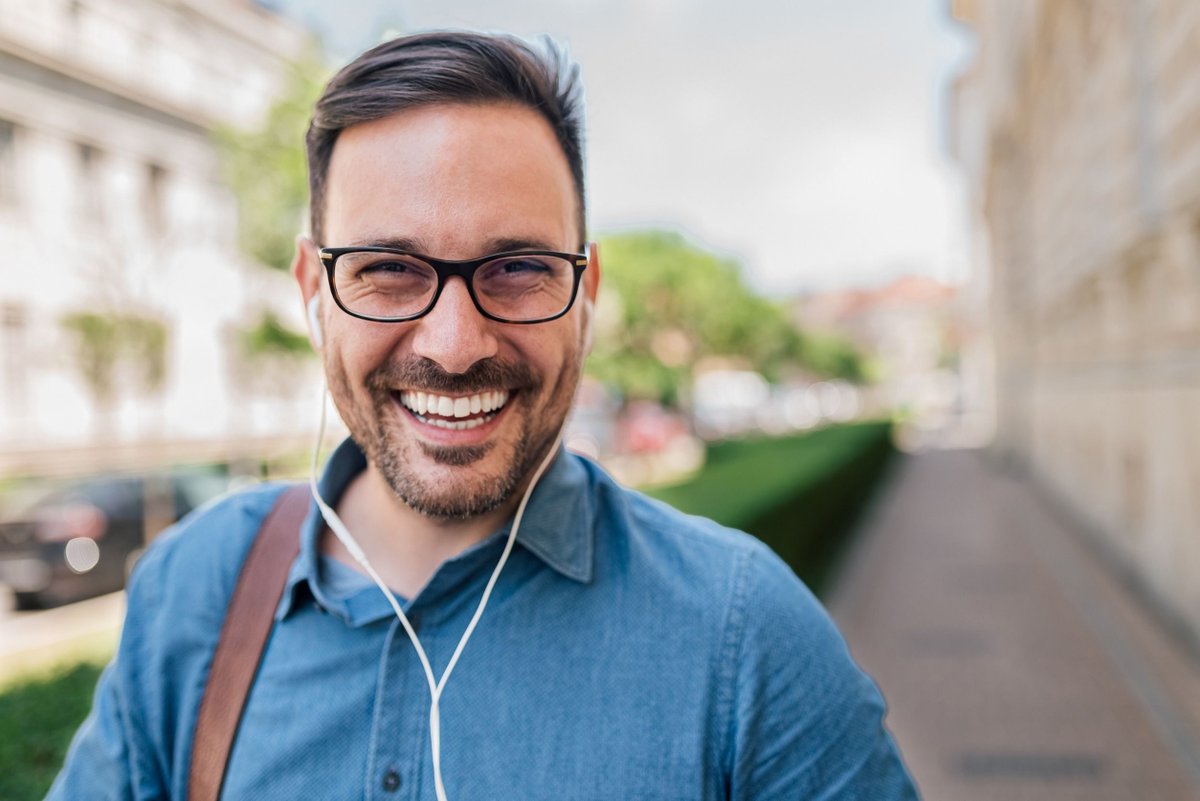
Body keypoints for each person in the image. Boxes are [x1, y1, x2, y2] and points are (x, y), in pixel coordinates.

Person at [49, 31, 917, 800]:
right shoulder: (191, 591)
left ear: (587, 294)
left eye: (518, 269)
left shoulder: (744, 638)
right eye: (389, 268)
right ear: (315, 291)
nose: (456, 343)